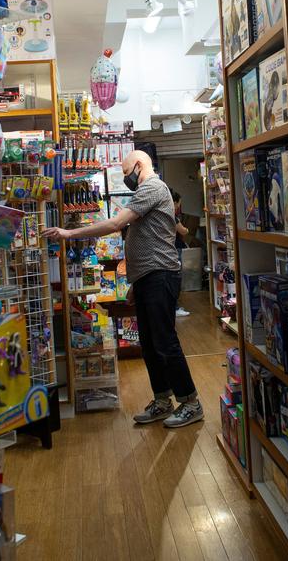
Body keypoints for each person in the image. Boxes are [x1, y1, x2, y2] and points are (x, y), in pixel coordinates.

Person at [43, 150, 203, 428]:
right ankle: (163, 400)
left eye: (127, 171)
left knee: (165, 342)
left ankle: (191, 402)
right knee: (151, 345)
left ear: (139, 166)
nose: (126, 178)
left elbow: (115, 223)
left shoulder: (151, 187)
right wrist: (135, 281)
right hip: (147, 277)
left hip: (160, 276)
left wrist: (69, 233)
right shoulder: (149, 191)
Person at [170, 189, 190, 317]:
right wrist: (187, 229)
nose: (178, 206)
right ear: (174, 201)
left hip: (171, 249)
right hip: (174, 249)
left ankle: (174, 307)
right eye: (178, 203)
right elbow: (183, 231)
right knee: (175, 279)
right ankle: (175, 308)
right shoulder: (171, 215)